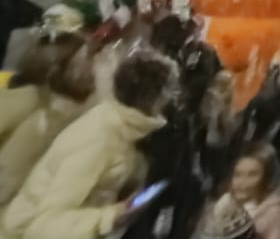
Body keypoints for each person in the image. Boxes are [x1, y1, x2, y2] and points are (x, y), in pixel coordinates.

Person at [1, 47, 178, 239]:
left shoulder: (120, 129)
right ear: (155, 100)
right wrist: (110, 218)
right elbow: (44, 226)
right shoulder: (101, 137)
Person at [0, 31, 94, 207]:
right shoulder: (36, 118)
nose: (93, 68)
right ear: (63, 74)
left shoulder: (44, 106)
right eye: (87, 60)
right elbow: (7, 183)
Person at [215, 143, 280, 239]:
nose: (242, 182)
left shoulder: (273, 211)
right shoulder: (224, 204)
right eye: (238, 174)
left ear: (266, 178)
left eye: (252, 175)